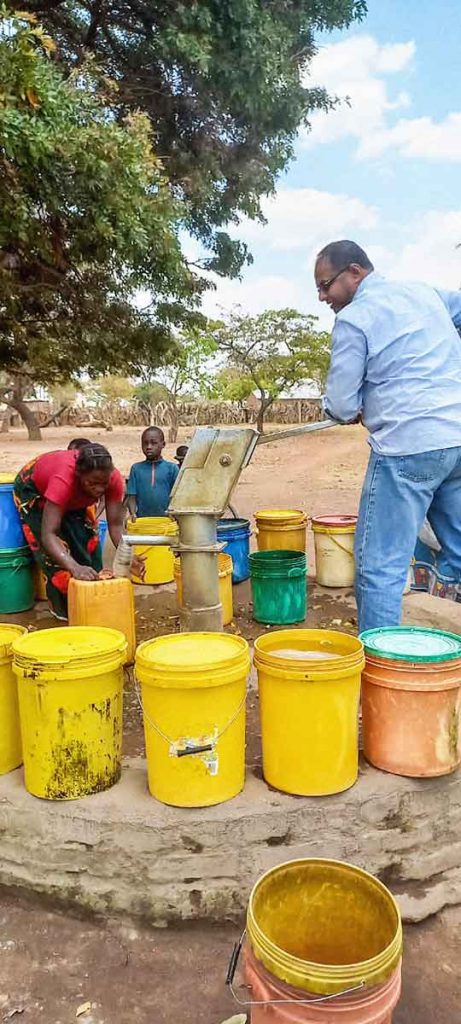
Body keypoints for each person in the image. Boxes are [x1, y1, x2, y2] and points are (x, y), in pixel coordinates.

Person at [314, 239, 461, 632]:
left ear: (355, 272)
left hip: (407, 448)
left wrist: (352, 407)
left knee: (379, 568)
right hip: (456, 438)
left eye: (325, 285)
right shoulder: (424, 293)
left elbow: (341, 405)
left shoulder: (355, 318)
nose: (323, 296)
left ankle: (382, 667)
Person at [14, 444, 130, 620]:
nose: (99, 489)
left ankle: (92, 602)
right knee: (57, 560)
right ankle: (65, 613)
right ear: (79, 475)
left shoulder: (113, 479)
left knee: (87, 541)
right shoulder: (64, 480)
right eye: (93, 483)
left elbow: (115, 525)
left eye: (103, 484)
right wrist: (74, 567)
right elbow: (48, 535)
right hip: (35, 489)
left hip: (70, 490)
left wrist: (128, 556)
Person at [126, 427, 179, 520]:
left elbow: (176, 495)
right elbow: (131, 495)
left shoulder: (172, 468)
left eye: (153, 443)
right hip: (142, 520)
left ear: (163, 444)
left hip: (166, 521)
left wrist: (173, 513)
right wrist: (132, 513)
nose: (149, 447)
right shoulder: (136, 469)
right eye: (145, 443)